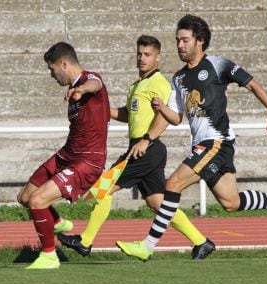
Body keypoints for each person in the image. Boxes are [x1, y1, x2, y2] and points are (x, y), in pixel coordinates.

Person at [116, 14, 267, 261]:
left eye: (185, 40)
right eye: (177, 40)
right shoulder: (179, 78)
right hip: (206, 145)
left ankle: (147, 246)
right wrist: (149, 135)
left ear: (200, 41)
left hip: (217, 141)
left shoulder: (218, 65)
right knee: (231, 202)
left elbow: (253, 85)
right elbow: (174, 117)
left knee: (172, 185)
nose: (179, 45)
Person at [57, 35, 215, 260]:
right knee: (157, 203)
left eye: (147, 55)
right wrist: (102, 109)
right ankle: (201, 242)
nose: (142, 58)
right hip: (142, 148)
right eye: (139, 54)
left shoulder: (159, 82)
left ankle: (85, 241)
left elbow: (166, 116)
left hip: (146, 148)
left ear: (158, 58)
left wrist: (146, 141)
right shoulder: (137, 85)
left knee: (103, 188)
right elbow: (127, 114)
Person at [17, 42, 110, 269]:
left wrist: (82, 89)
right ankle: (57, 223)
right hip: (67, 155)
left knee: (39, 201)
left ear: (64, 63)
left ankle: (49, 256)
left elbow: (95, 84)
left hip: (87, 162)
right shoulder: (73, 89)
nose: (52, 75)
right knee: (26, 198)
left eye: (52, 69)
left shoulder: (89, 79)